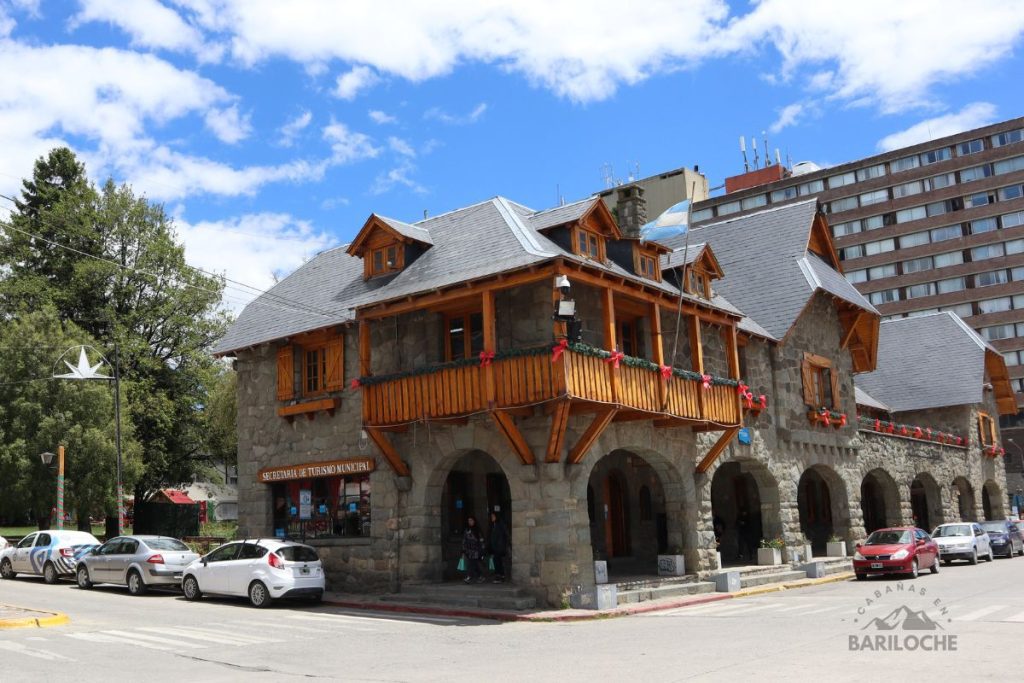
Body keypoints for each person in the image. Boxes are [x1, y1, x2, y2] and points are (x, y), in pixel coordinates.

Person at [461, 515, 485, 583]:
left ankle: (469, 577)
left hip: (476, 550)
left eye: (471, 520)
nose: (470, 522)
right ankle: (480, 576)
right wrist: (463, 549)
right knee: (474, 564)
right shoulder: (467, 530)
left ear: (474, 521)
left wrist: (482, 549)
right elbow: (464, 540)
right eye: (469, 521)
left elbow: (481, 540)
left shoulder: (477, 530)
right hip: (469, 550)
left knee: (471, 564)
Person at [488, 511, 510, 583]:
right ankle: (501, 575)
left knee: (497, 561)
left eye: (493, 516)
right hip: (495, 547)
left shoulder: (500, 525)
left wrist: (501, 545)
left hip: (499, 547)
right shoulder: (493, 525)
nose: (492, 518)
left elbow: (502, 536)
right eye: (491, 516)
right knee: (497, 561)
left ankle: (499, 576)